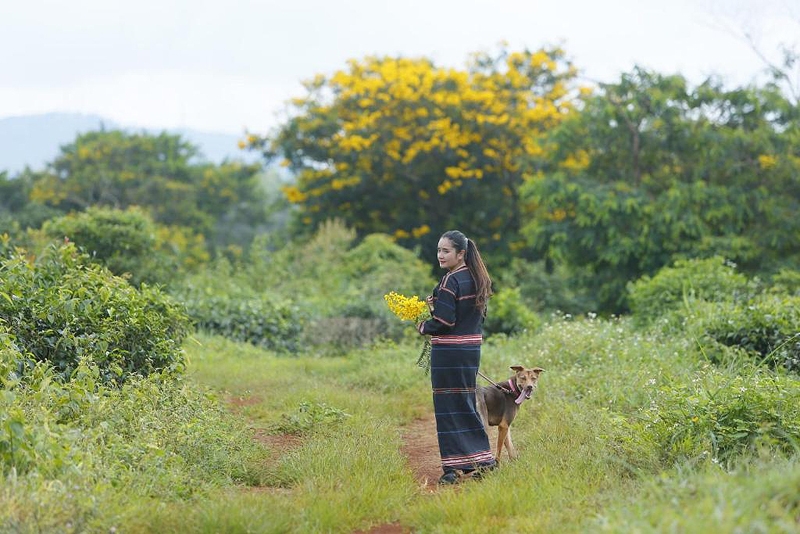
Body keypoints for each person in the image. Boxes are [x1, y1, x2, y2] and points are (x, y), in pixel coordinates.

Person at [417, 230, 495, 484]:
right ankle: (483, 460)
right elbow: (470, 318)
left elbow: (443, 321)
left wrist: (422, 326)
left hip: (449, 354)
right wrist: (435, 304)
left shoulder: (450, 280)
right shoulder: (476, 278)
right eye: (439, 250)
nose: (440, 255)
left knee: (448, 408)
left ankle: (452, 469)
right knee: (465, 403)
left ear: (461, 253)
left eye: (446, 251)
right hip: (470, 351)